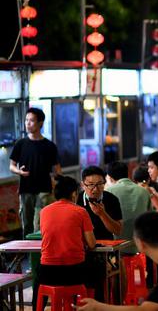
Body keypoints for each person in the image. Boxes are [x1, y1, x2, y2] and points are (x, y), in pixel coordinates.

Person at [37, 175, 95, 307]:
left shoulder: (44, 212)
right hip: (74, 272)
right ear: (74, 193)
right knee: (95, 271)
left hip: (48, 272)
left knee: (38, 273)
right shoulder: (81, 212)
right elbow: (91, 243)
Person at [10, 107, 62, 237]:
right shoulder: (21, 144)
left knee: (40, 223)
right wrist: (19, 172)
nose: (27, 123)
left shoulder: (49, 146)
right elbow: (12, 166)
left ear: (40, 123)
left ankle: (41, 253)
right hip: (26, 189)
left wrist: (57, 179)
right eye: (26, 120)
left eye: (31, 120)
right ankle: (28, 254)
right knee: (26, 224)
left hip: (44, 190)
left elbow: (57, 168)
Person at [106, 161, 151, 254]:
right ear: (128, 173)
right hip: (141, 247)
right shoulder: (144, 191)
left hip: (117, 249)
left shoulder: (108, 192)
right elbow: (150, 218)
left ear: (110, 178)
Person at [77, 166, 123, 240]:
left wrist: (102, 214)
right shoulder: (76, 200)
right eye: (91, 185)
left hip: (107, 248)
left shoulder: (111, 199)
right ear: (82, 185)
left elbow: (118, 231)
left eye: (99, 184)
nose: (95, 189)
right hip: (84, 248)